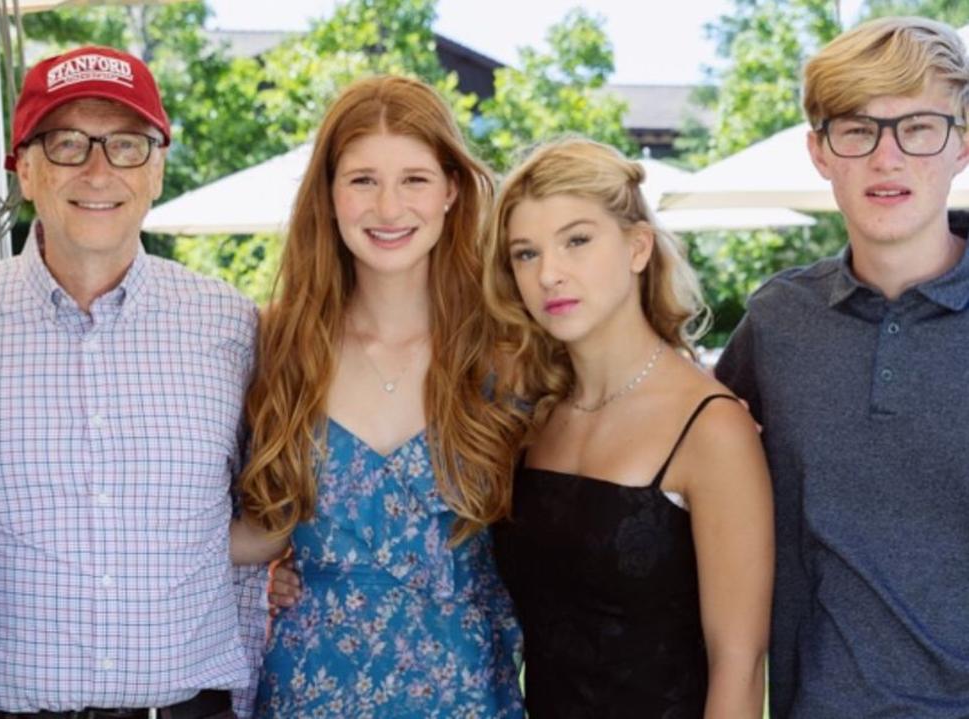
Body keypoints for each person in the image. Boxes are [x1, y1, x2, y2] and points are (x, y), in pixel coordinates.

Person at [0, 46, 265, 719]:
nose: (99, 169)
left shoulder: (230, 325)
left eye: (127, 145)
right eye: (68, 143)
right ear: (25, 167)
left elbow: (272, 506)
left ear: (157, 168)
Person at [232, 74, 524, 717]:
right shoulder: (275, 343)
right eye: (363, 179)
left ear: (451, 189)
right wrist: (258, 580)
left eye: (414, 179)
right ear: (329, 195)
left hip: (468, 691)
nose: (389, 208)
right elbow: (250, 532)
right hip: (309, 690)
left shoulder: (508, 354)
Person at [714, 17, 969, 718]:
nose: (886, 158)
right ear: (819, 152)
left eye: (918, 127)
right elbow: (681, 460)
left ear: (962, 145)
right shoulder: (776, 321)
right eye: (856, 129)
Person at [485, 137, 773, 718]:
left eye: (577, 241)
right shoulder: (532, 416)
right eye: (525, 253)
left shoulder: (711, 428)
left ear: (638, 247)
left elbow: (740, 666)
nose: (549, 274)